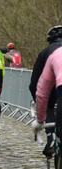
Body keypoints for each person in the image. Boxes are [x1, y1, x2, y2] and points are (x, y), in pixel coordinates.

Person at [29, 26, 62, 158]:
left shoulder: (47, 53)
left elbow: (37, 87)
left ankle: (52, 139)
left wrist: (40, 118)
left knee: (48, 106)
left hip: (56, 87)